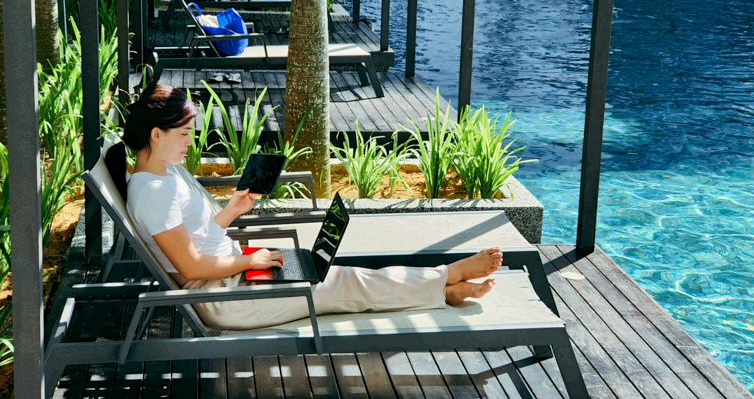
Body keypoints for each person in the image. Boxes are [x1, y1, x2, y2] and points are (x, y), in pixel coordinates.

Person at [105, 84, 504, 330]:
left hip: (231, 278)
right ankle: (446, 279)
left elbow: (194, 237)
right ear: (156, 135)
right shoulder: (153, 192)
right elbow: (191, 268)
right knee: (345, 282)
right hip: (224, 299)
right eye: (185, 134)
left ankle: (440, 287)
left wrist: (231, 212)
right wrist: (250, 260)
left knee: (336, 276)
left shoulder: (164, 173)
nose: (191, 141)